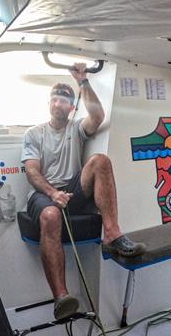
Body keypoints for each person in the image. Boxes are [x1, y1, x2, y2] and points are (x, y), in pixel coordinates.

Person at [22, 63, 145, 320]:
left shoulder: (76, 128)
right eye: (54, 100)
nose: (59, 104)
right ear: (49, 104)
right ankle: (62, 297)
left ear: (71, 107)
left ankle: (113, 235)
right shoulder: (34, 133)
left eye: (64, 101)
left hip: (74, 190)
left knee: (100, 160)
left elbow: (98, 116)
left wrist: (83, 81)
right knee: (50, 216)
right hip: (43, 193)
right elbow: (32, 172)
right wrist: (53, 193)